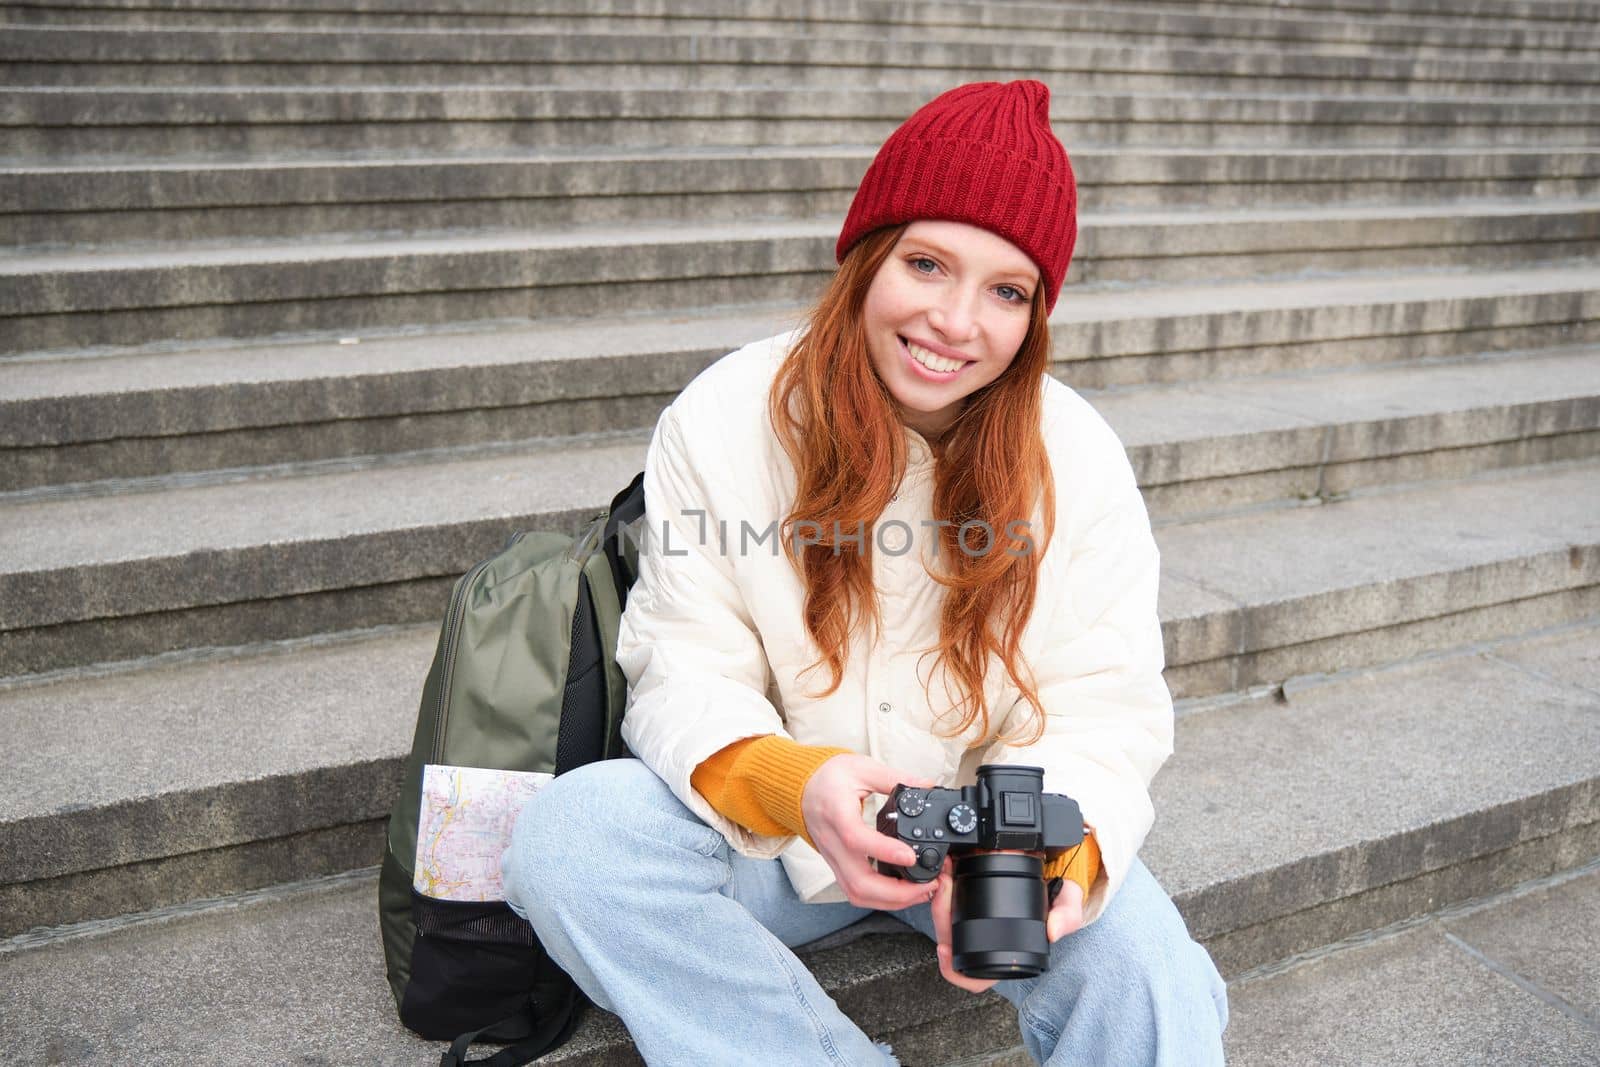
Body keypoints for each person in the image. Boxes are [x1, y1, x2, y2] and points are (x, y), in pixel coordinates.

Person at [501, 80, 1228, 1066]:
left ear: (1035, 313)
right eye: (926, 264)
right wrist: (798, 785)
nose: (957, 322)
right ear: (865, 256)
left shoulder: (1076, 454)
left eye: (1006, 290)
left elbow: (1104, 704)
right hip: (777, 834)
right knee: (571, 838)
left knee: (1150, 969)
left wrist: (1036, 850)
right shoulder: (721, 417)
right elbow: (682, 661)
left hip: (982, 841)